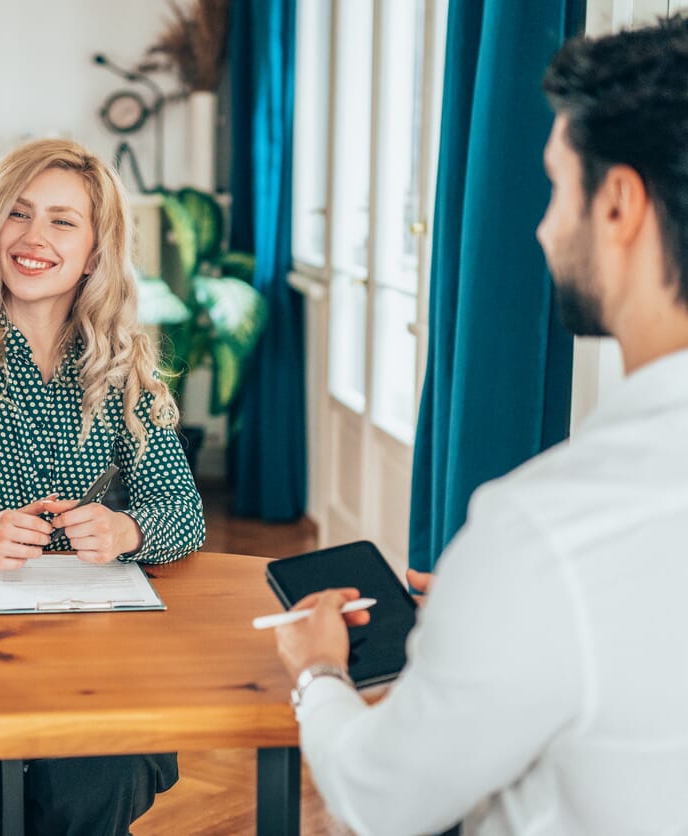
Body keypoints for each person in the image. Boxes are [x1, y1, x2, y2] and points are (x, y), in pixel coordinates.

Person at [274, 15, 688, 836]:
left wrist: (317, 669)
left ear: (618, 204)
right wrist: (481, 620)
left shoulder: (546, 527)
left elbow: (380, 799)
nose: (541, 228)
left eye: (555, 187)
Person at [0, 138, 205, 834]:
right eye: (18, 213)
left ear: (96, 248)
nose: (34, 237)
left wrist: (127, 528)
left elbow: (184, 512)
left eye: (61, 220)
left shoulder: (123, 362)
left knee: (95, 778)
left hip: (92, 651)